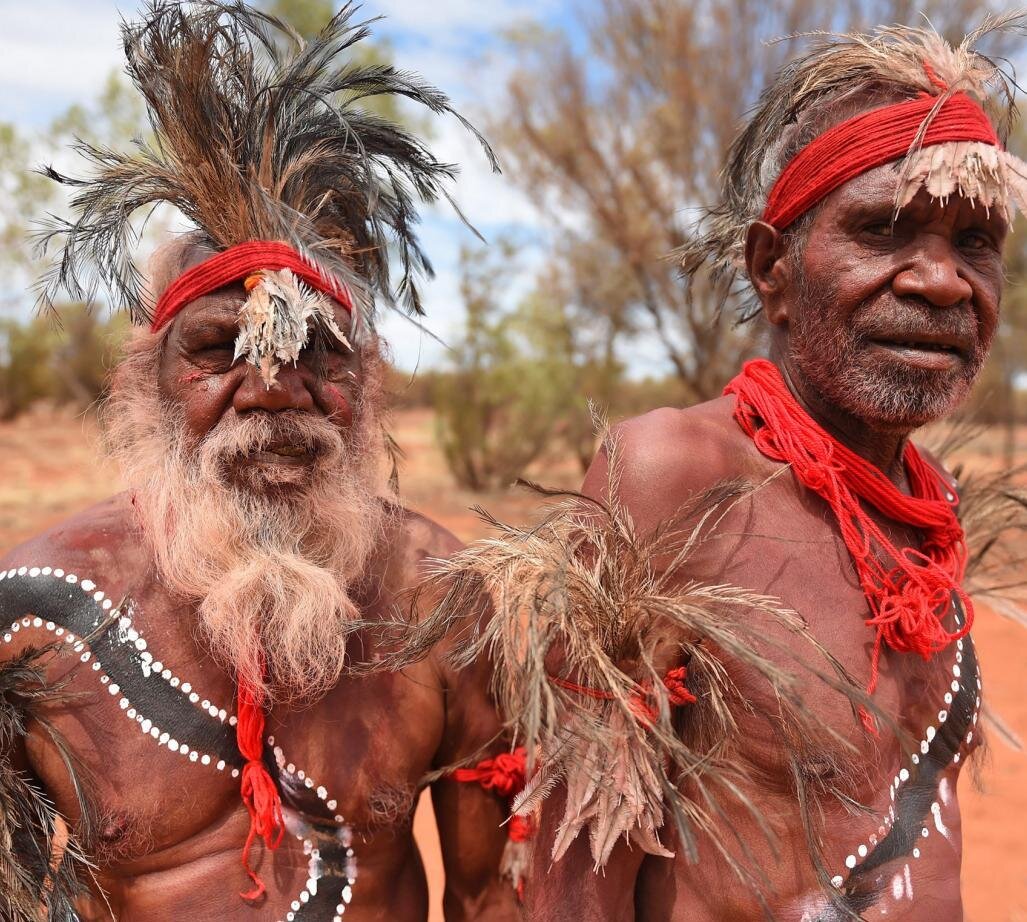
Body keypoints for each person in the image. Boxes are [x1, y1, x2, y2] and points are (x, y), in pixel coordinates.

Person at [415, 19, 1027, 921]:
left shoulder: (919, 503)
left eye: (975, 241)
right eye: (882, 229)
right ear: (770, 267)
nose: (940, 281)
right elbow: (579, 860)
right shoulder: (674, 476)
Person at [0, 3, 520, 920]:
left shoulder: (446, 600)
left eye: (317, 352)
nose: (273, 389)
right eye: (217, 349)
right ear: (146, 383)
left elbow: (490, 898)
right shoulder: (30, 611)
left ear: (368, 384)